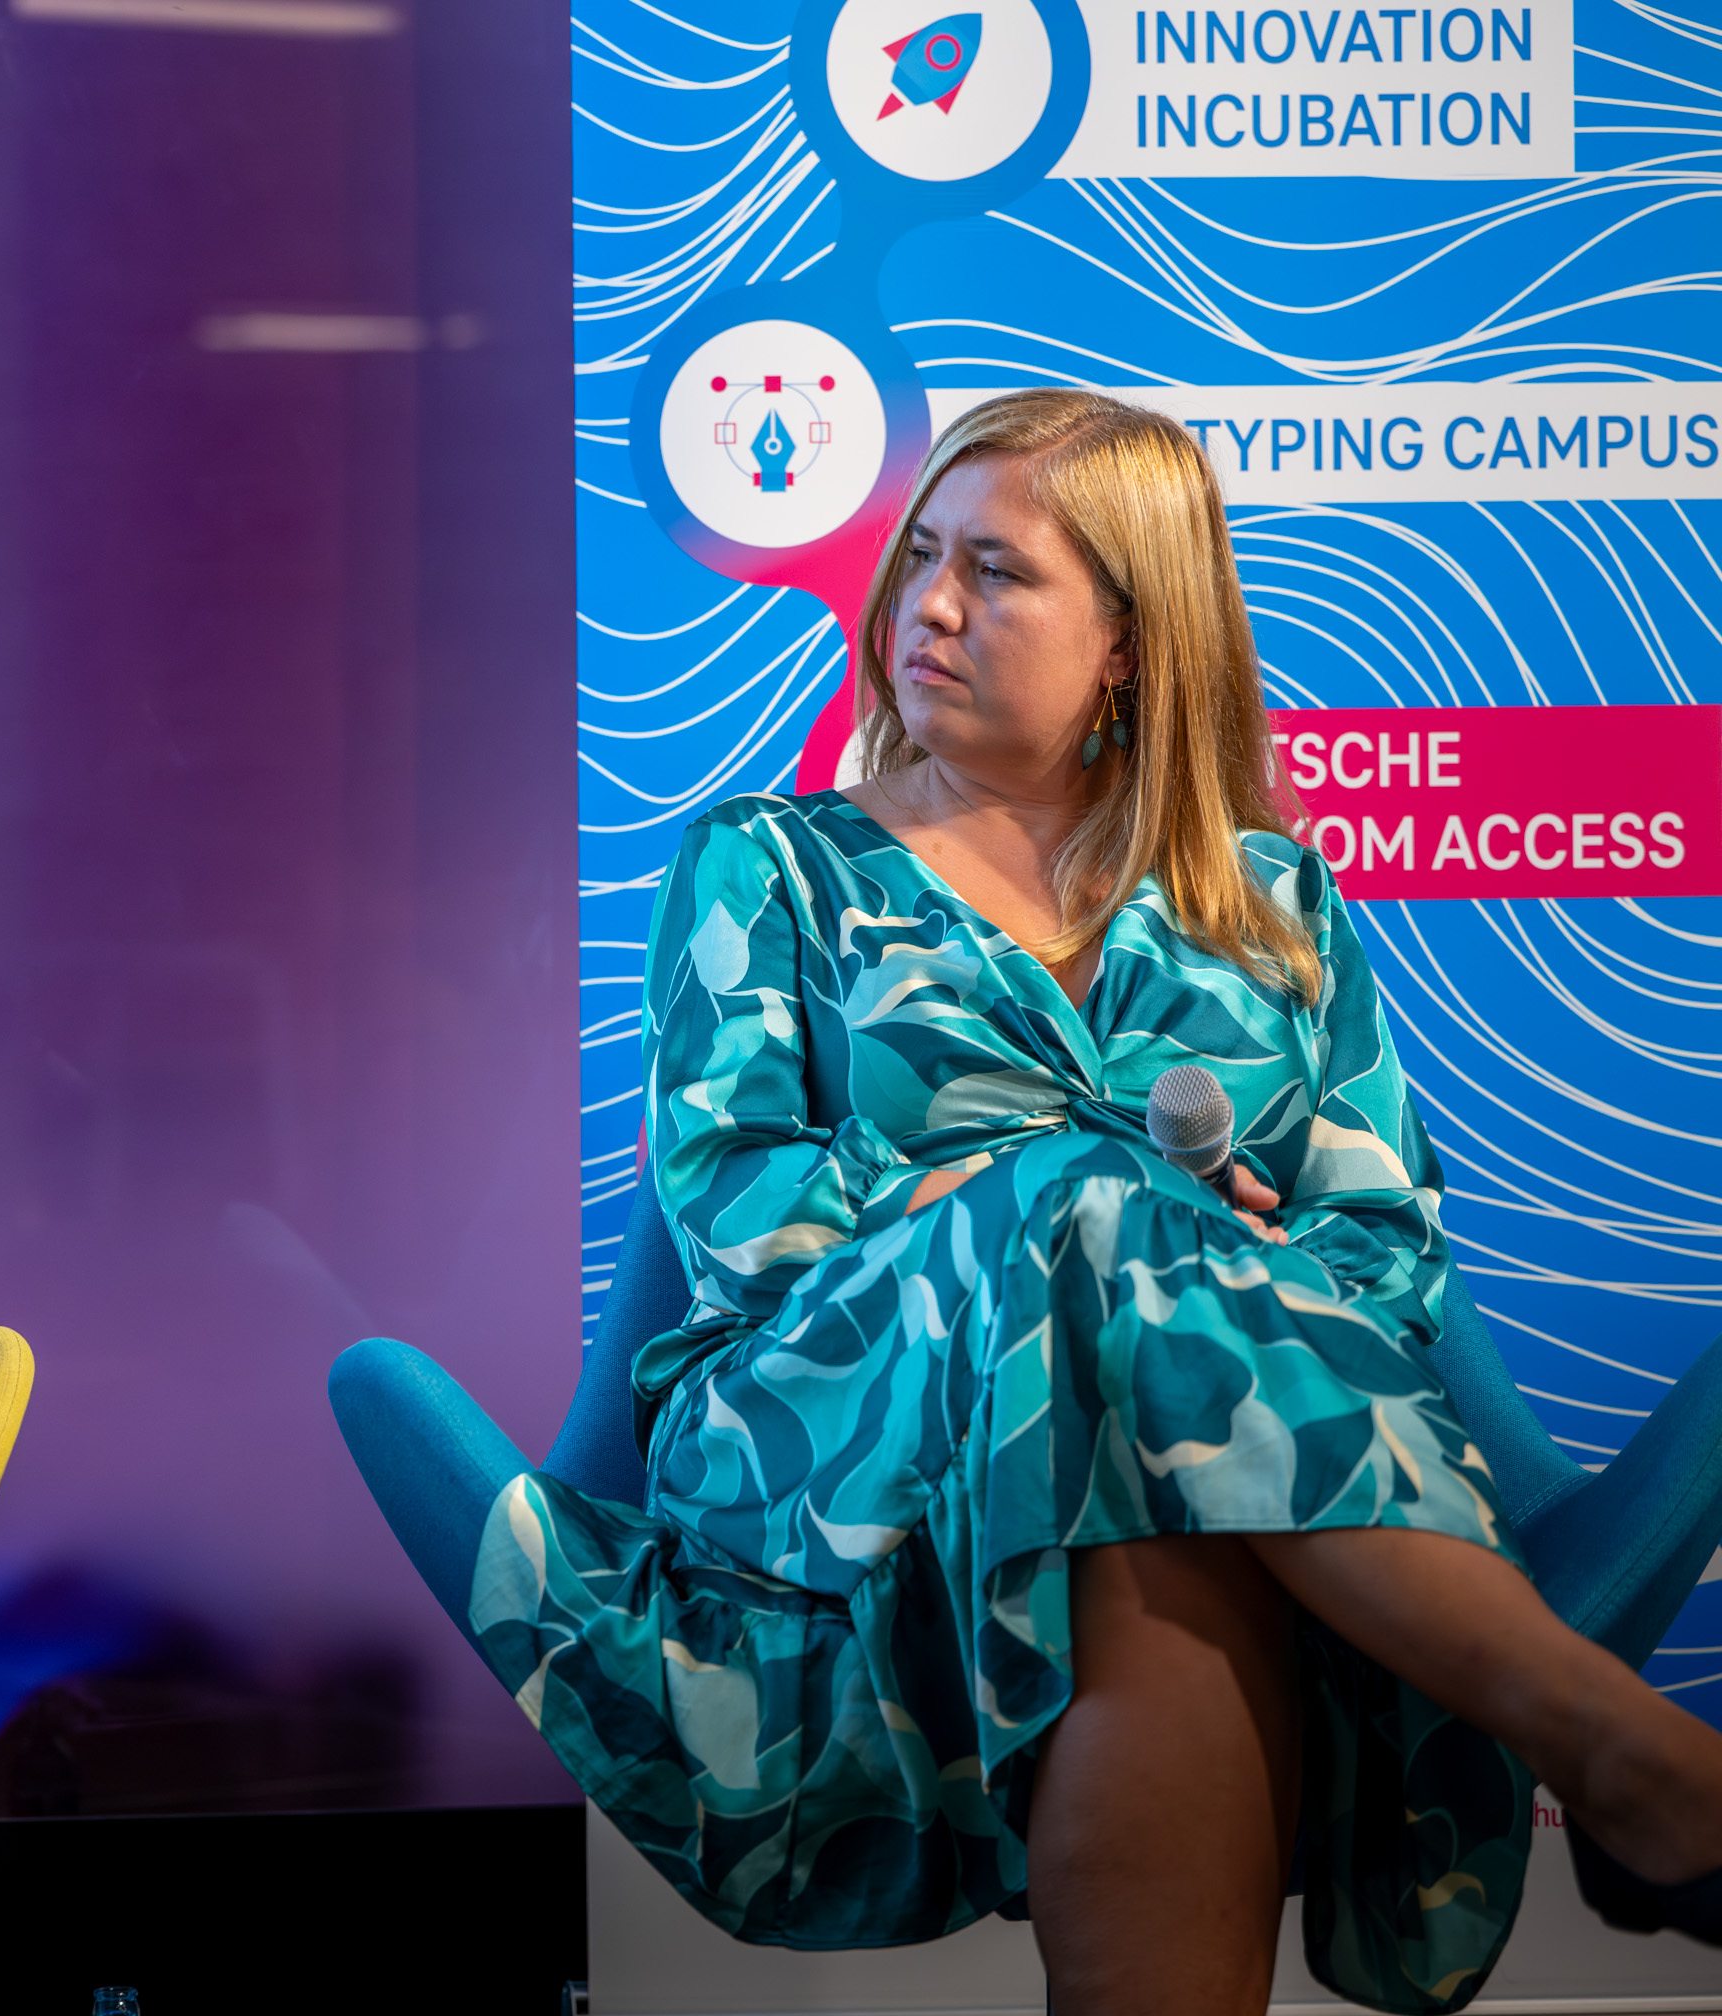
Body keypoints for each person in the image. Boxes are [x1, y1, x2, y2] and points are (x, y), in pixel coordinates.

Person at [341, 392, 1722, 2015]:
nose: (927, 605)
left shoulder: (1269, 903)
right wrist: (1062, 1218)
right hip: (836, 1445)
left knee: (1150, 1473)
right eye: (922, 555)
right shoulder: (769, 865)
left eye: (994, 571)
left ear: (1129, 641)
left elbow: (1384, 1248)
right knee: (1091, 1213)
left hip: (1241, 1459)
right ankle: (1616, 1751)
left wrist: (1194, 1280)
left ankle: (1617, 1767)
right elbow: (741, 1210)